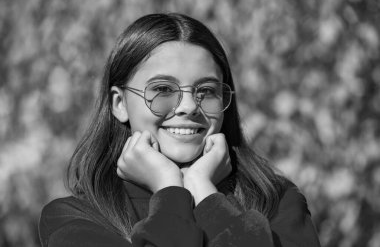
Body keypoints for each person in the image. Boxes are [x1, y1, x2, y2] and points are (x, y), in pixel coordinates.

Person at [39, 13, 321, 247]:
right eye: (162, 89)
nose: (188, 106)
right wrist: (169, 188)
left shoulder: (277, 200)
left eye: (206, 90)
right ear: (119, 103)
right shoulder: (74, 219)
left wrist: (205, 193)